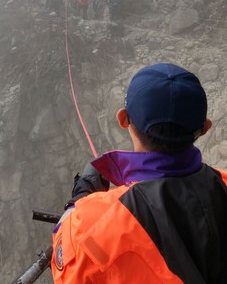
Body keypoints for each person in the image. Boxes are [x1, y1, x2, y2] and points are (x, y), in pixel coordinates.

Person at [52, 63, 227, 284]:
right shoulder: (224, 182)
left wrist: (78, 199)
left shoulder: (93, 222)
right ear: (205, 128)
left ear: (123, 119)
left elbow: (67, 268)